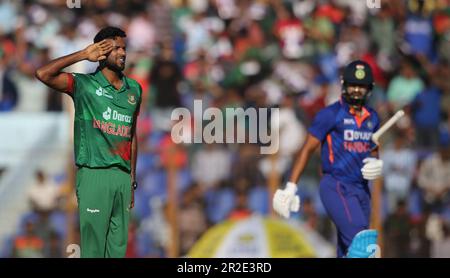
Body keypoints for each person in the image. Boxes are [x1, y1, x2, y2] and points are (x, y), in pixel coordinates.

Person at [35, 26, 142, 258]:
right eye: (116, 48)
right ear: (101, 53)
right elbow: (43, 73)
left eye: (124, 48)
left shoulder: (134, 89)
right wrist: (82, 55)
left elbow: (132, 136)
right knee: (93, 251)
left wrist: (131, 180)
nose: (123, 53)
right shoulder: (84, 85)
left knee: (117, 252)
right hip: (94, 173)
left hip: (122, 178)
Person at [273, 60, 383, 258]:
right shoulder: (331, 114)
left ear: (370, 88)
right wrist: (290, 186)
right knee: (364, 244)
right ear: (343, 84)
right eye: (353, 85)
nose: (357, 90)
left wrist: (376, 162)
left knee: (348, 251)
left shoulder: (373, 118)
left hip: (361, 190)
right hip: (337, 185)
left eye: (362, 86)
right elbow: (307, 149)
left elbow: (373, 149)